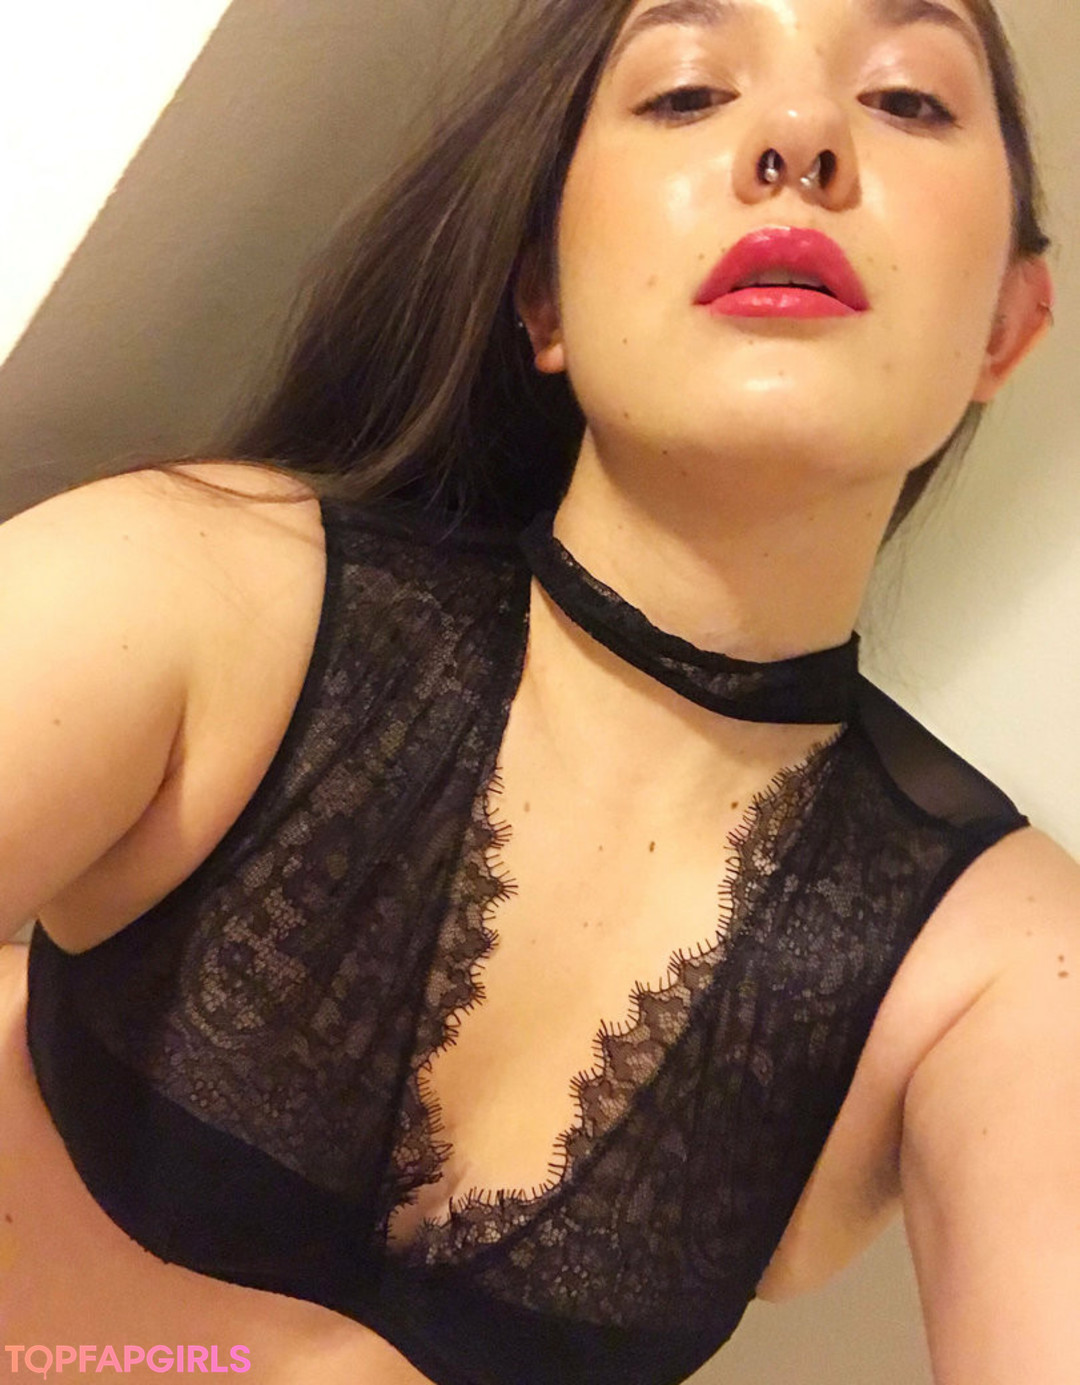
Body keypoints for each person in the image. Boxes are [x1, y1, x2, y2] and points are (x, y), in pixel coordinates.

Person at [1, 0, 1077, 1382]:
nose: (800, 137)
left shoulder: (1002, 966)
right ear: (545, 296)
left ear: (1006, 328)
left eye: (908, 99)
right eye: (686, 92)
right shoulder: (186, 591)